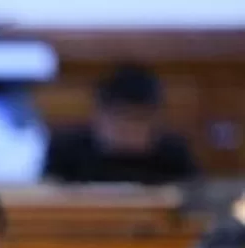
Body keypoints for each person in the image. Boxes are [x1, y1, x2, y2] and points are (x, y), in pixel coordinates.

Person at [43, 63, 198, 184]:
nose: (128, 129)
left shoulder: (174, 153)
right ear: (99, 115)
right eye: (120, 118)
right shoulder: (66, 149)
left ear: (155, 120)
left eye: (138, 119)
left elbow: (195, 201)